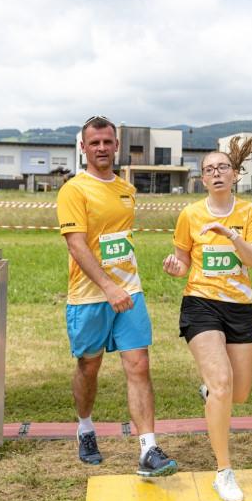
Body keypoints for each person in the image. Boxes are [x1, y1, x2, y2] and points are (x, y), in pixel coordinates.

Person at [57, 116, 178, 478]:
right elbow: (76, 245)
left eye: (107, 142)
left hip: (130, 292)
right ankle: (85, 427)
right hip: (89, 296)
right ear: (83, 147)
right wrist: (107, 287)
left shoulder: (127, 189)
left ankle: (148, 449)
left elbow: (119, 239)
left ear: (116, 145)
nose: (102, 148)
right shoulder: (73, 190)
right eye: (94, 142)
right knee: (88, 367)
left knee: (139, 364)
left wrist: (121, 285)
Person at [162, 137, 252, 501]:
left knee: (240, 393)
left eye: (223, 167)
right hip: (201, 304)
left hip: (239, 307)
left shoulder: (249, 212)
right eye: (209, 169)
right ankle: (224, 472)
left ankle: (211, 393)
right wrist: (176, 267)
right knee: (222, 383)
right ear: (203, 179)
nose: (216, 173)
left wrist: (231, 235)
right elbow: (182, 261)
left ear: (234, 174)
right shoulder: (190, 214)